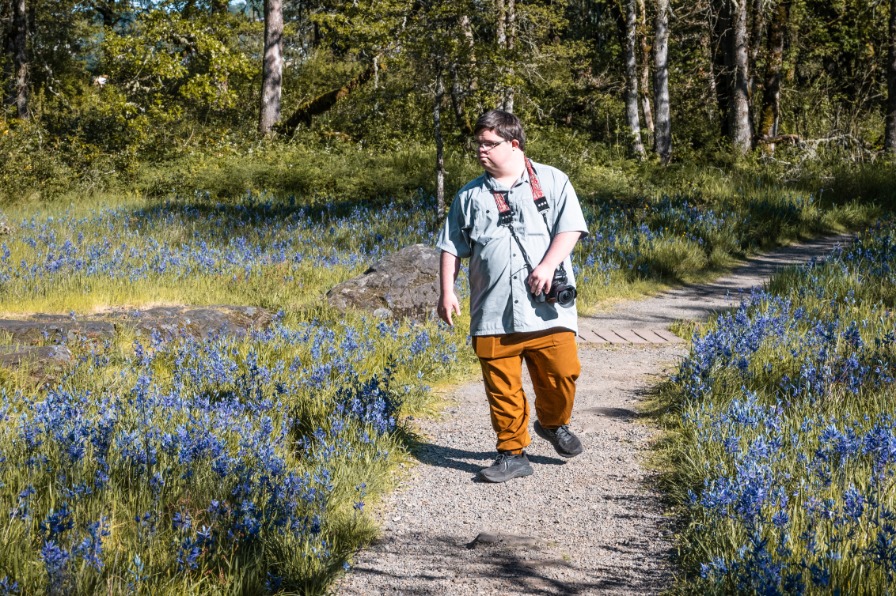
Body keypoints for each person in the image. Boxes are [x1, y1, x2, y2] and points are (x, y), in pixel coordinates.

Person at [436, 109, 589, 483]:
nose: (481, 151)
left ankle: (553, 424)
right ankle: (511, 453)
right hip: (492, 311)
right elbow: (451, 247)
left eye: (490, 144)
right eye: (478, 144)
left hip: (547, 310)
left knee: (562, 375)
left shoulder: (553, 181)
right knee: (501, 389)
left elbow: (571, 229)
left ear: (514, 144)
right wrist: (446, 292)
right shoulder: (469, 195)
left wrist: (548, 266)